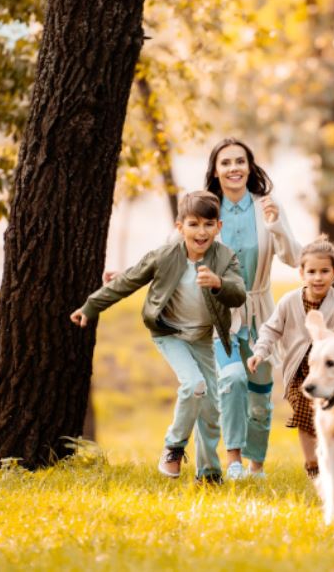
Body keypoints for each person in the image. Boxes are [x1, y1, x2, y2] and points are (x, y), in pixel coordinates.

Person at [70, 191, 246, 484]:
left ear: (219, 227)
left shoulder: (225, 258)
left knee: (211, 409)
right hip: (169, 332)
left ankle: (209, 472)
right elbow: (129, 280)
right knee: (194, 385)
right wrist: (91, 306)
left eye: (208, 224)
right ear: (180, 227)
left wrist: (219, 283)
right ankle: (174, 447)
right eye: (193, 224)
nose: (201, 232)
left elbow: (239, 291)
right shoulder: (166, 255)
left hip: (202, 337)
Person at [205, 137, 303, 479]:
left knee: (260, 397)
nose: (233, 168)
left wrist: (276, 225)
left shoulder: (267, 207)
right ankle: (232, 463)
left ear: (249, 167)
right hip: (220, 314)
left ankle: (255, 466)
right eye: (226, 163)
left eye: (240, 161)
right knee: (231, 379)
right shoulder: (207, 209)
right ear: (215, 171)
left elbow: (294, 258)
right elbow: (176, 252)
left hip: (262, 311)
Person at [247, 237, 334, 480]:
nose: (318, 277)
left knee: (329, 419)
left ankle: (330, 460)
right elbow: (270, 329)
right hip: (298, 374)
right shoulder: (288, 301)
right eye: (312, 271)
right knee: (306, 416)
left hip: (329, 376)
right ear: (302, 273)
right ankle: (312, 465)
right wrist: (259, 352)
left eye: (324, 271)